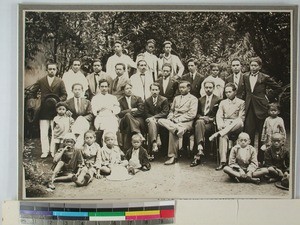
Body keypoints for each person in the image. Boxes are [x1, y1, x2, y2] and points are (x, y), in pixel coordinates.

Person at [243, 56, 282, 164]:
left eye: (255, 65)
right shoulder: (245, 76)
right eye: (251, 65)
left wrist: (267, 98)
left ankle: (261, 159)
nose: (253, 67)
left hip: (262, 108)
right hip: (249, 108)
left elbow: (278, 88)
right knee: (248, 132)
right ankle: (250, 159)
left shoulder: (264, 77)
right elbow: (245, 92)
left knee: (262, 134)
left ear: (259, 67)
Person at [28, 61, 67, 158]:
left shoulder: (60, 81)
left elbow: (64, 94)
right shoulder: (41, 81)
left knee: (54, 132)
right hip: (43, 110)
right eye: (50, 69)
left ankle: (53, 151)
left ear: (56, 70)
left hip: (55, 111)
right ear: (47, 70)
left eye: (54, 69)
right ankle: (45, 151)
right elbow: (32, 92)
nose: (52, 71)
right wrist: (37, 102)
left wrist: (58, 101)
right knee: (44, 131)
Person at [158, 80, 198, 165]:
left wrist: (178, 120)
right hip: (173, 122)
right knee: (160, 120)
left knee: (172, 132)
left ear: (189, 88)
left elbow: (192, 114)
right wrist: (170, 117)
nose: (181, 89)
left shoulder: (193, 99)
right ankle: (176, 129)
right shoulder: (176, 98)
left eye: (183, 87)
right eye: (180, 88)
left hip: (185, 122)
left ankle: (172, 156)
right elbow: (171, 111)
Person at [209, 83, 245, 170]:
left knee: (239, 121)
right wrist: (220, 125)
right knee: (223, 136)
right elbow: (219, 116)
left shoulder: (241, 102)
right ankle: (223, 162)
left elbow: (241, 117)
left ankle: (218, 133)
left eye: (230, 92)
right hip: (225, 125)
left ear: (235, 92)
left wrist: (230, 124)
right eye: (226, 92)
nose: (228, 94)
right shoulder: (222, 102)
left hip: (236, 125)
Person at [190, 80, 220, 167]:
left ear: (213, 88)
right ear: (204, 88)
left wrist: (210, 119)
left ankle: (198, 152)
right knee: (199, 122)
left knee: (199, 125)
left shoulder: (218, 100)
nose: (208, 89)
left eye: (210, 87)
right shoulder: (200, 99)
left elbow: (219, 115)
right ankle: (199, 150)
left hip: (211, 124)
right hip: (201, 123)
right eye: (206, 87)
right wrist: (203, 118)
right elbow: (197, 114)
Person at [144, 83, 170, 159]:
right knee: (151, 124)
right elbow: (146, 113)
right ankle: (154, 144)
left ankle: (155, 146)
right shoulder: (147, 101)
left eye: (156, 90)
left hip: (161, 121)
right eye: (153, 90)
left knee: (152, 122)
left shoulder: (164, 100)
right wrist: (152, 119)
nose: (154, 91)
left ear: (159, 90)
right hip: (151, 122)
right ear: (150, 90)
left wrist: (154, 118)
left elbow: (165, 112)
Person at [91, 79, 120, 144]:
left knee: (110, 125)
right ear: (99, 87)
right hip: (100, 118)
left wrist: (111, 109)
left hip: (111, 117)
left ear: (108, 87)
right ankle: (113, 145)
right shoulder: (95, 98)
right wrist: (100, 108)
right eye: (102, 86)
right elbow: (94, 111)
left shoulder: (113, 98)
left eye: (106, 86)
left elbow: (117, 109)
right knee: (108, 125)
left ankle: (108, 145)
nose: (104, 88)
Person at [118, 83, 145, 151]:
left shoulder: (138, 98)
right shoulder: (120, 101)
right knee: (127, 115)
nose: (129, 90)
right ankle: (138, 133)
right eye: (127, 89)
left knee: (128, 119)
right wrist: (131, 110)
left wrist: (128, 113)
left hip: (137, 119)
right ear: (123, 91)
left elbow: (141, 110)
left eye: (130, 88)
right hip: (125, 121)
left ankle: (127, 149)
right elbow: (120, 114)